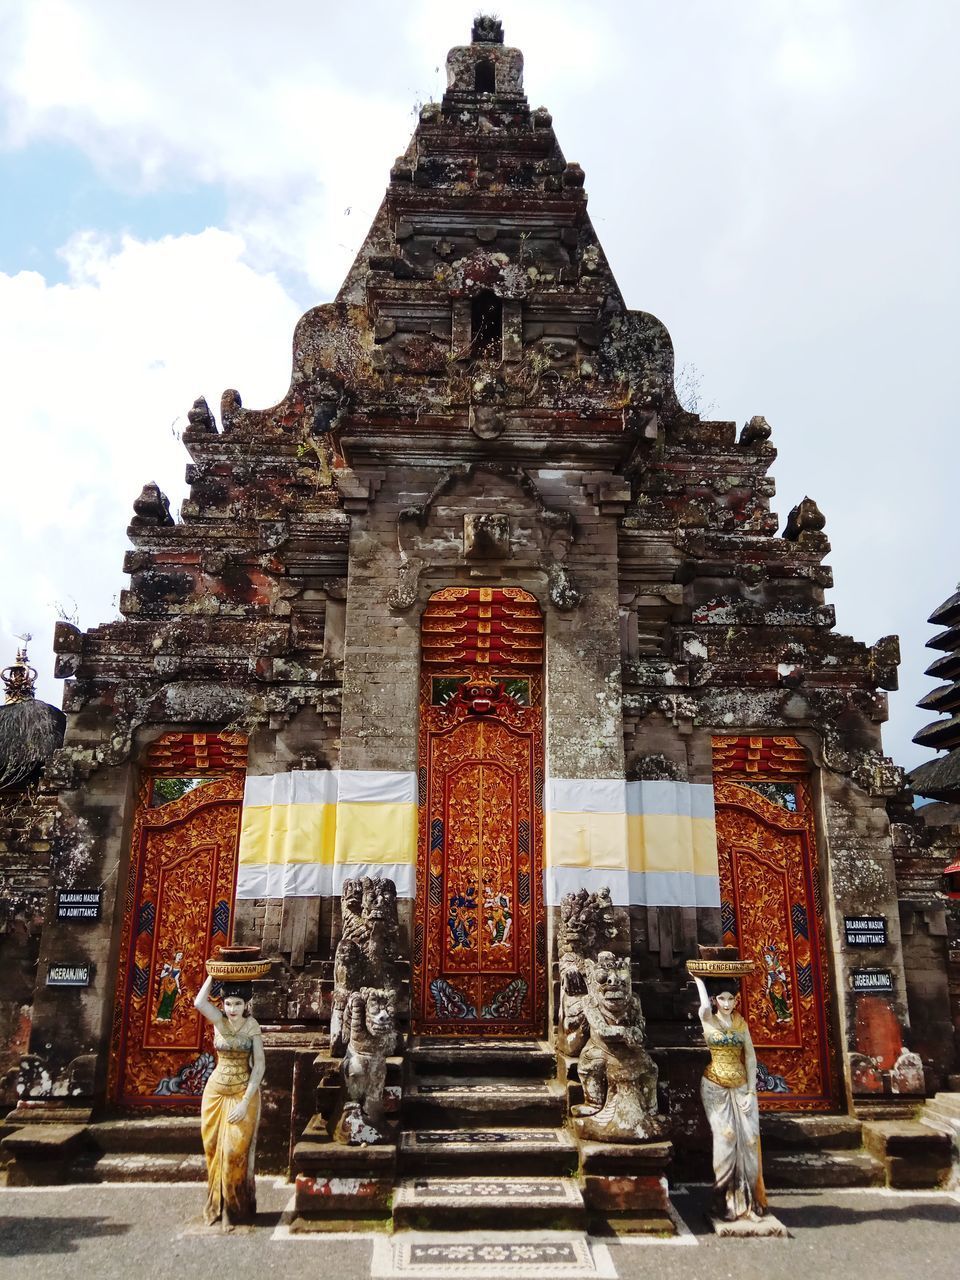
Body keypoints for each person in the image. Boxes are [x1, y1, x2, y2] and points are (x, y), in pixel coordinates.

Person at [692, 973, 767, 1221]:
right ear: (715, 1000)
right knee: (726, 1138)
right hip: (714, 1085)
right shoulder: (708, 1020)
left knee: (749, 1141)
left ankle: (747, 1203)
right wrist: (699, 980)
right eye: (722, 999)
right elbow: (703, 1006)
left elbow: (750, 1058)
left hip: (742, 1087)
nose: (726, 1004)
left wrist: (751, 1091)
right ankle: (721, 1198)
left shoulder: (741, 1023)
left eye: (731, 999)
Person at [194, 974, 265, 1228]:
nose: (232, 1009)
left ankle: (235, 1211)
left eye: (237, 1004)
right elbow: (199, 1002)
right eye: (228, 1004)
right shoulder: (219, 1021)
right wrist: (214, 974)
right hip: (215, 1093)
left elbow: (258, 1067)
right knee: (213, 1150)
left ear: (246, 1004)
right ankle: (218, 1206)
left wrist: (246, 1102)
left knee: (234, 1153)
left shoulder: (252, 1026)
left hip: (241, 1094)